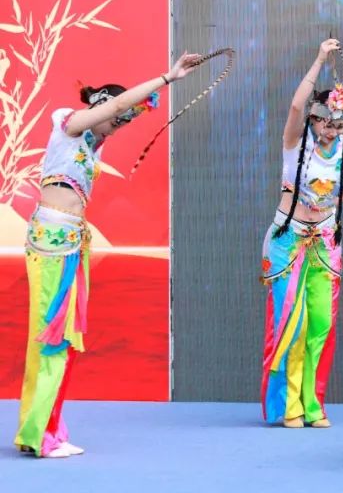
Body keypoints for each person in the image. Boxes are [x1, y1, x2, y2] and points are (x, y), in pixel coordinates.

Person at [15, 52, 203, 458]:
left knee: (59, 337)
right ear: (101, 107)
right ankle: (40, 435)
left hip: (68, 240)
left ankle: (42, 430)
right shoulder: (68, 124)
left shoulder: (91, 145)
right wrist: (168, 78)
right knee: (52, 336)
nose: (119, 125)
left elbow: (119, 112)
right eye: (117, 118)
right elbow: (116, 106)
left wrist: (130, 112)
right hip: (53, 239)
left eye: (125, 123)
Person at [260, 38, 343, 428]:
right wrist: (321, 58)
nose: (332, 130)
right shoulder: (296, 142)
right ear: (314, 116)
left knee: (321, 322)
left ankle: (313, 402)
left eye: (339, 124)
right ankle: (289, 404)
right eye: (327, 122)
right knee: (293, 323)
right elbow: (295, 105)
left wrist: (334, 202)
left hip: (325, 243)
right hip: (288, 240)